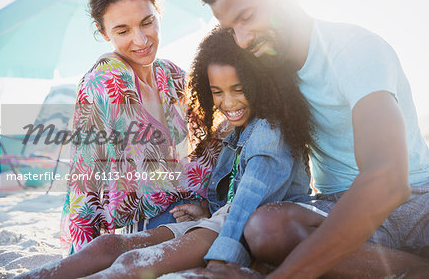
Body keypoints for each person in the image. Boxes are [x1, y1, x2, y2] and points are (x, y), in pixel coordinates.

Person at [188, 0, 429, 278]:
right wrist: (207, 205)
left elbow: (387, 180)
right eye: (231, 30)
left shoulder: (353, 48)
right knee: (267, 229)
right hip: (334, 207)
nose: (242, 40)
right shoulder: (267, 73)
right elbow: (248, 143)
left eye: (246, 17)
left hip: (418, 201)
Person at [17, 28, 315, 278]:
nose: (228, 102)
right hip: (221, 218)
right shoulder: (236, 129)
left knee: (133, 264)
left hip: (243, 227)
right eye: (217, 92)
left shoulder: (269, 132)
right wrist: (205, 209)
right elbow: (230, 190)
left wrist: (222, 258)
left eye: (239, 89)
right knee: (109, 246)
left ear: (261, 84)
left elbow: (249, 200)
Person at [59, 0, 224, 257]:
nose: (141, 40)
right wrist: (83, 261)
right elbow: (85, 180)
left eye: (147, 22)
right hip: (149, 228)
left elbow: (211, 149)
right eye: (123, 30)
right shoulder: (103, 81)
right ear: (103, 32)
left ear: (159, 13)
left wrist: (208, 206)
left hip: (201, 215)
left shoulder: (172, 76)